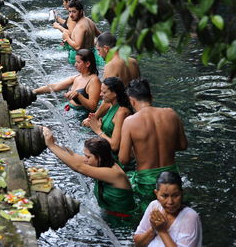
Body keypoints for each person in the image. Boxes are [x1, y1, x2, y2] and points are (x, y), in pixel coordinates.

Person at [119, 78, 188, 211]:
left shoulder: (130, 122)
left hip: (148, 181)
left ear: (131, 101)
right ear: (151, 97)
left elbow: (124, 159)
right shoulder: (171, 113)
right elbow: (183, 145)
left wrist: (140, 150)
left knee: (151, 215)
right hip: (172, 176)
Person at [43, 127, 135, 217]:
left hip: (123, 220)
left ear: (99, 157)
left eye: (88, 157)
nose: (85, 159)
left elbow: (78, 167)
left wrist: (51, 146)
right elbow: (73, 156)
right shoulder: (104, 161)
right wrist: (53, 141)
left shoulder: (113, 173)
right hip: (110, 214)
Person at [82, 32, 140, 125]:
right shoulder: (133, 61)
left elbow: (108, 97)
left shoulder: (110, 66)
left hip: (119, 112)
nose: (98, 54)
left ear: (106, 49)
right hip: (136, 108)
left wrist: (94, 118)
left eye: (98, 50)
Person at [134, 172, 202, 247]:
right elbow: (138, 243)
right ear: (156, 193)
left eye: (175, 195)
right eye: (164, 196)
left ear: (181, 193)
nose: (170, 202)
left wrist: (162, 231)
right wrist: (153, 229)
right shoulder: (154, 206)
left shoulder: (190, 217)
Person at [33, 49, 101, 112]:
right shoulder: (76, 77)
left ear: (87, 64)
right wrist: (34, 92)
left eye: (78, 62)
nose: (75, 65)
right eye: (75, 62)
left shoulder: (94, 81)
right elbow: (55, 86)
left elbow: (93, 107)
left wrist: (78, 96)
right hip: (70, 110)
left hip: (81, 115)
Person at [85, 77, 133, 166]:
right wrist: (99, 125)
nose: (100, 94)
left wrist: (98, 130)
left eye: (104, 92)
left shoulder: (122, 112)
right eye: (100, 91)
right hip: (107, 154)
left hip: (117, 162)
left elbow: (115, 146)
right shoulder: (109, 104)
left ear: (115, 93)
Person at [61, 0, 104, 66]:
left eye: (74, 12)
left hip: (81, 60)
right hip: (91, 55)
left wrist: (67, 38)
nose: (71, 15)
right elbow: (101, 36)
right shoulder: (89, 21)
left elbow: (77, 47)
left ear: (81, 11)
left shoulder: (80, 26)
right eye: (69, 12)